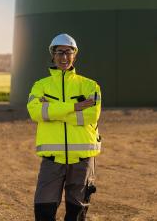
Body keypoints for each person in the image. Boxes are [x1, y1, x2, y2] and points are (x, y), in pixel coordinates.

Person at [27, 33, 102, 221]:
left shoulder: (90, 86)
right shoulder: (40, 86)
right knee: (43, 211)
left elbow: (91, 115)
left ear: (75, 55)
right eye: (59, 52)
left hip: (82, 158)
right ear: (52, 55)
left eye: (69, 52)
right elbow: (36, 113)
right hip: (52, 159)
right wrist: (74, 107)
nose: (64, 57)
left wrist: (52, 112)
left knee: (76, 214)